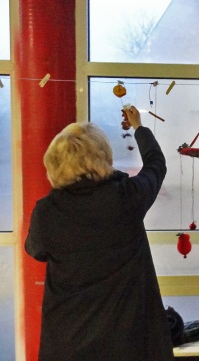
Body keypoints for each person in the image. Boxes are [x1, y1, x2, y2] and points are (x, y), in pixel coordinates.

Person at [25, 106, 174, 361]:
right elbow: (156, 164)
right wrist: (138, 127)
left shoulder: (46, 212)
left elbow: (36, 250)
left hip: (67, 344)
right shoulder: (127, 197)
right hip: (128, 343)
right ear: (102, 156)